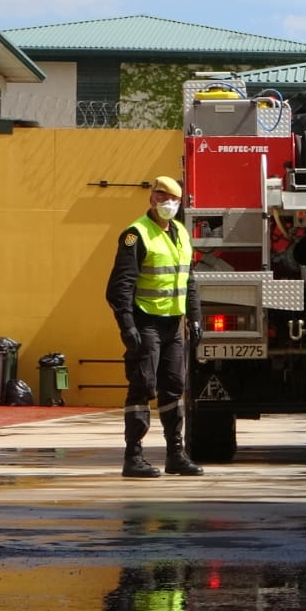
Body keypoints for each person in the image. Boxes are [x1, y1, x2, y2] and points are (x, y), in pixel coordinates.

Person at [104, 175, 205, 478]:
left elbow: (189, 281)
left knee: (174, 387)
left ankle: (176, 454)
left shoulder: (181, 234)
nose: (168, 204)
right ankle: (133, 457)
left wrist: (195, 316)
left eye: (174, 200)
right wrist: (127, 326)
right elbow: (118, 288)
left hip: (173, 325)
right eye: (162, 198)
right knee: (143, 386)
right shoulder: (136, 235)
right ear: (152, 199)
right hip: (145, 322)